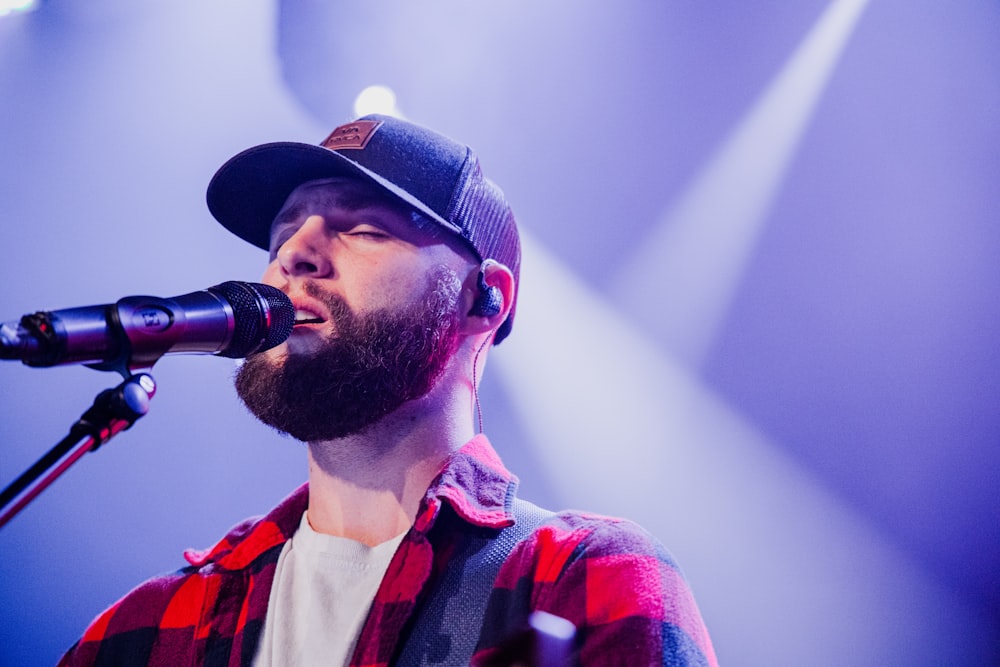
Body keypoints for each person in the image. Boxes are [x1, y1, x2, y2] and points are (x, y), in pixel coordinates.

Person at [58, 115, 718, 666]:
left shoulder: (582, 581)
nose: (295, 254)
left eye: (366, 228)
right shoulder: (140, 631)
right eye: (284, 232)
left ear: (482, 299)